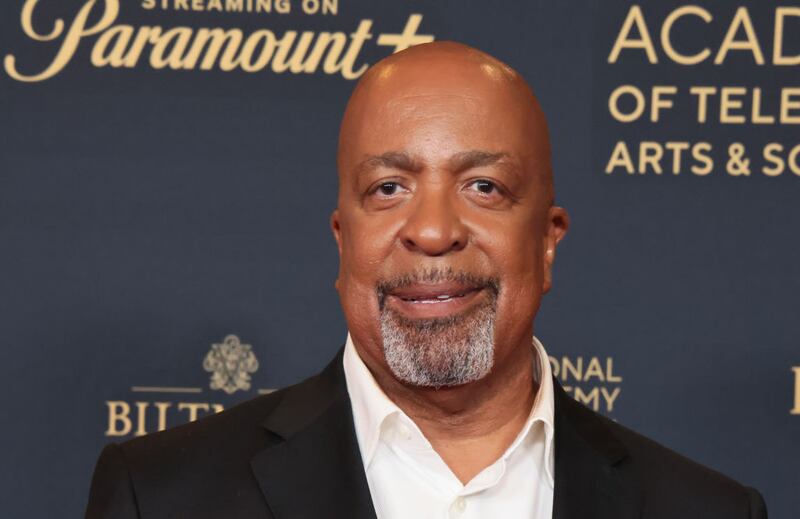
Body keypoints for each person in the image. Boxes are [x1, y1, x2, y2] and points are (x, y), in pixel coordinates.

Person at [85, 41, 768, 519]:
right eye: (388, 187)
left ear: (547, 241)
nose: (434, 230)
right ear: (342, 239)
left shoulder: (706, 510)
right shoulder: (160, 497)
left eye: (484, 186)